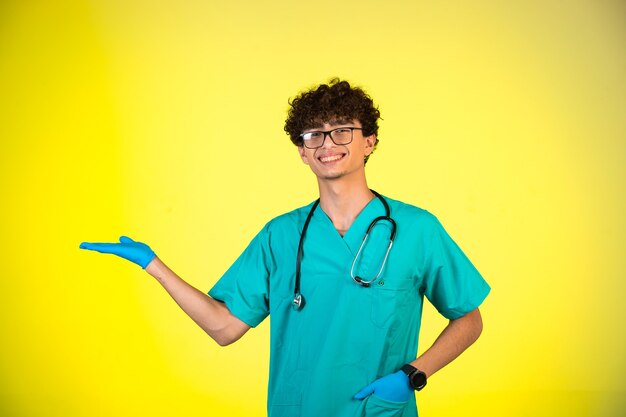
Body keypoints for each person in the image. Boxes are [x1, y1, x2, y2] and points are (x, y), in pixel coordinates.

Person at [80, 79, 490, 417]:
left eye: (342, 130)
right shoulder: (280, 235)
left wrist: (413, 375)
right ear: (302, 152)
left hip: (379, 411)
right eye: (313, 135)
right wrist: (154, 265)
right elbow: (224, 328)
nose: (327, 143)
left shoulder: (417, 229)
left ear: (369, 141)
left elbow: (469, 319)